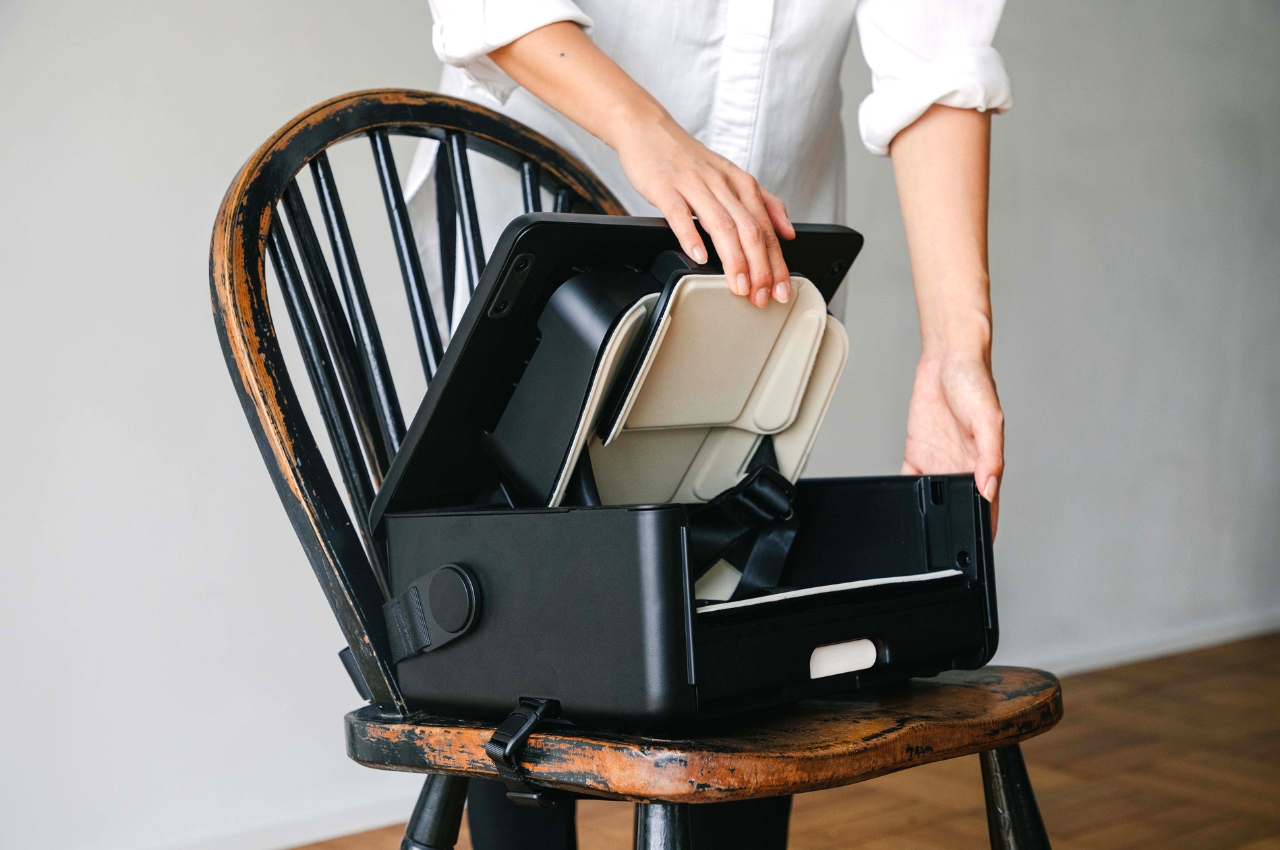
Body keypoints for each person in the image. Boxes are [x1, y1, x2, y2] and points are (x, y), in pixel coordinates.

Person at [411, 2, 1011, 848]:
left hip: (755, 269)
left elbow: (938, 63)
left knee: (735, 593)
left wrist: (956, 348)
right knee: (524, 618)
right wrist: (645, 129)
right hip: (543, 218)